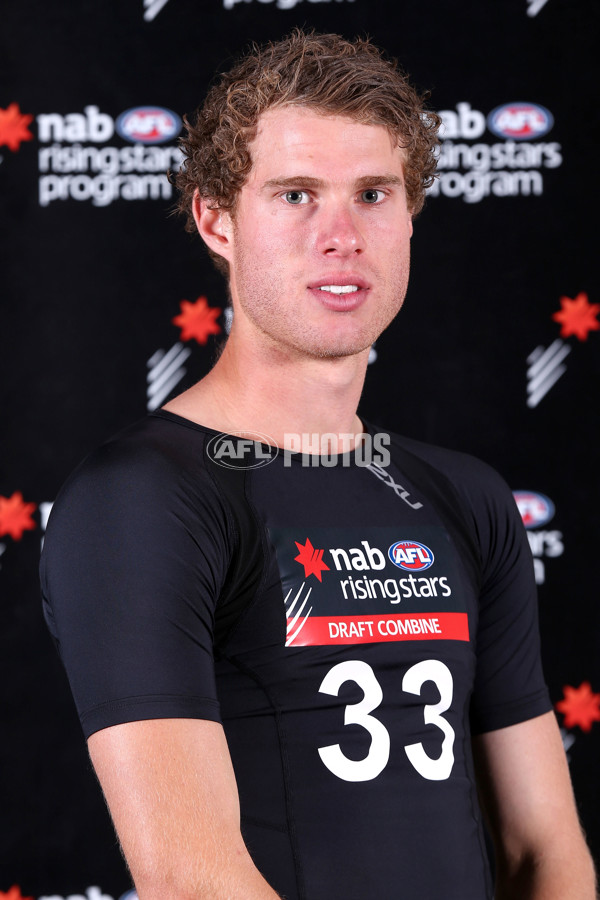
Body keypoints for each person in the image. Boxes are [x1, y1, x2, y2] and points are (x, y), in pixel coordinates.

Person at [41, 29, 596, 900]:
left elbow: (544, 852)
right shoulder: (145, 497)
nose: (341, 235)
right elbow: (192, 879)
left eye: (373, 193)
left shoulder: (466, 496)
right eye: (296, 195)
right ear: (216, 218)